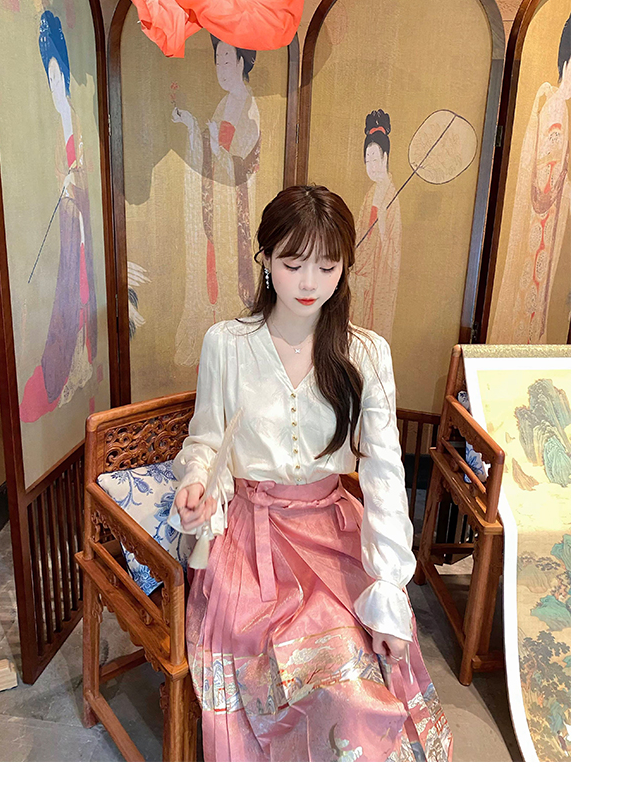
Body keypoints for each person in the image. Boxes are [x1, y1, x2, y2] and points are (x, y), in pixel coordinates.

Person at [168, 184, 452, 762]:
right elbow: (207, 439)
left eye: (327, 266)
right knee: (285, 670)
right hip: (251, 538)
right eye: (293, 263)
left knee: (357, 673)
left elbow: (384, 472)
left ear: (344, 268)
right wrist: (198, 485)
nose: (309, 283)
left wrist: (389, 587)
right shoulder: (228, 343)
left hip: (333, 532)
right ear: (266, 259)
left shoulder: (365, 353)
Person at [19, 10, 97, 422]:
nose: (53, 85)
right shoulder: (51, 128)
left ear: (65, 74)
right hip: (65, 229)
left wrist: (75, 182)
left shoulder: (78, 121)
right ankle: (65, 372)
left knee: (84, 292)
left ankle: (83, 366)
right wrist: (63, 184)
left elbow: (88, 175)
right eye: (47, 77)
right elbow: (47, 178)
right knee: (67, 297)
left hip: (82, 226)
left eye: (57, 75)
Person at [171, 36, 261, 367]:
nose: (221, 68)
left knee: (229, 272)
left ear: (241, 62)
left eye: (227, 60)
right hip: (217, 205)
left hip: (235, 210)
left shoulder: (250, 108)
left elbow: (243, 165)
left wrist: (215, 149)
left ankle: (232, 351)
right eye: (217, 61)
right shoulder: (225, 104)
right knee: (210, 269)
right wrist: (192, 126)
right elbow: (211, 151)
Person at [488, 16, 571, 344]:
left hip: (549, 230)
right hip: (538, 231)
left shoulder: (563, 108)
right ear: (566, 62)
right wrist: (562, 181)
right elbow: (541, 186)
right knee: (529, 299)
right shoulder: (554, 108)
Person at [351, 110, 401, 343]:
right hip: (362, 270)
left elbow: (393, 251)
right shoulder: (371, 193)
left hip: (378, 276)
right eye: (367, 161)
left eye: (375, 159)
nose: (371, 166)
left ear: (385, 157)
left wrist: (381, 225)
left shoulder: (392, 197)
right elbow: (360, 233)